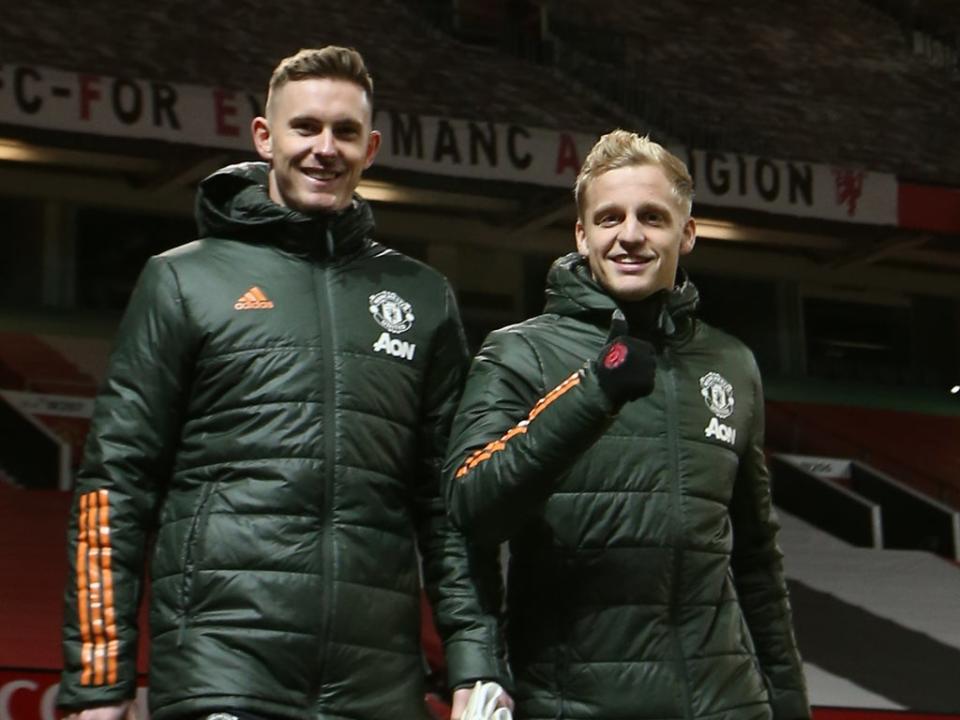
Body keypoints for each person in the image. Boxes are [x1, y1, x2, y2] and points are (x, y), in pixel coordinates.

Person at [57, 46, 509, 720]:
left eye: (345, 132)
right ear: (265, 137)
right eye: (306, 127)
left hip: (377, 681)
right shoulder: (183, 280)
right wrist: (99, 681)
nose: (324, 148)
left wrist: (474, 661)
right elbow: (113, 487)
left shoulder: (423, 296)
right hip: (224, 668)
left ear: (371, 147)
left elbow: (449, 505)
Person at [444, 130, 810, 720]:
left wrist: (790, 705)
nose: (631, 235)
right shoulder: (518, 355)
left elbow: (757, 559)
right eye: (610, 217)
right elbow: (473, 512)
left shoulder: (732, 363)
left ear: (687, 233)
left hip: (724, 703)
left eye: (653, 217)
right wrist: (593, 393)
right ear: (582, 234)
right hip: (572, 703)